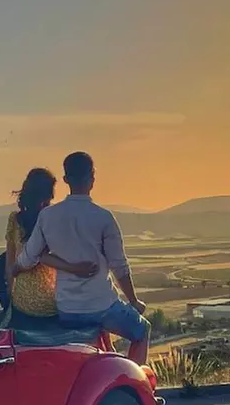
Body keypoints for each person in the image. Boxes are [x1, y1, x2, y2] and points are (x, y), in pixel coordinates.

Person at [14, 151, 151, 364]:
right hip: (101, 306)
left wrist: (14, 271)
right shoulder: (103, 218)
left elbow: (29, 257)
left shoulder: (48, 216)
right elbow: (119, 267)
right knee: (142, 329)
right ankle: (139, 384)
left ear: (66, 179)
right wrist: (133, 301)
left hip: (67, 309)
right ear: (92, 178)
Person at [2, 168, 95, 330]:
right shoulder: (51, 219)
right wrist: (75, 269)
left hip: (22, 302)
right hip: (52, 303)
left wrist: (11, 292)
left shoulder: (15, 220)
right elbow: (44, 256)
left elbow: (10, 262)